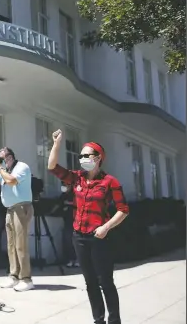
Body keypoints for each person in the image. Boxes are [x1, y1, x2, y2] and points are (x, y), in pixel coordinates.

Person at [48, 129, 129, 324]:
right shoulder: (77, 177)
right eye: (81, 156)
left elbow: (123, 209)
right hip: (79, 236)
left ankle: (114, 320)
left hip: (99, 237)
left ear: (98, 158)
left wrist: (106, 227)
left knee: (105, 282)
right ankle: (98, 319)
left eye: (86, 155)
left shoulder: (110, 181)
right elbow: (52, 167)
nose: (82, 159)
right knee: (90, 282)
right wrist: (57, 144)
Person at [0, 147, 35, 292]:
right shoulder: (3, 170)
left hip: (22, 208)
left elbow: (13, 181)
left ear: (9, 157)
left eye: (1, 158)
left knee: (21, 244)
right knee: (11, 244)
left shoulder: (22, 167)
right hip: (9, 209)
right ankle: (14, 275)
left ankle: (26, 279)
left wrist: (1, 169)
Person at [59, 182, 79, 268]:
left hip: (76, 220)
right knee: (68, 241)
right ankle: (70, 259)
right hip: (67, 221)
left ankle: (78, 259)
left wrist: (70, 204)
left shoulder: (76, 194)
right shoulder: (63, 195)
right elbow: (59, 203)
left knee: (77, 241)